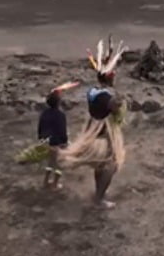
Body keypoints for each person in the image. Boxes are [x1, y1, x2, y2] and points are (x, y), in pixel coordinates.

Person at [59, 36, 128, 208]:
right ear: (109, 76)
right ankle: (99, 198)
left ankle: (99, 194)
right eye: (113, 74)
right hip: (102, 135)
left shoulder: (93, 91)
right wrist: (120, 102)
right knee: (109, 166)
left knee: (101, 165)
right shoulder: (106, 97)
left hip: (94, 130)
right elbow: (114, 107)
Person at [37, 87, 70, 190]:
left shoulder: (44, 113)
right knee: (59, 164)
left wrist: (41, 139)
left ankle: (46, 181)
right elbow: (62, 130)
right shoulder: (60, 115)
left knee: (50, 162)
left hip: (47, 142)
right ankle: (55, 184)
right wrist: (64, 142)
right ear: (58, 103)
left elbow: (40, 127)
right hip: (57, 143)